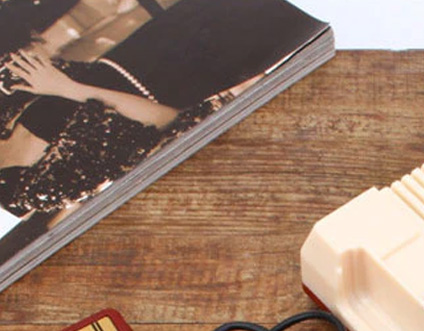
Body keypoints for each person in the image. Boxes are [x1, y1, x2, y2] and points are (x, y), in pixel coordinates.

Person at [0, 0, 320, 216]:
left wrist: (38, 70)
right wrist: (66, 89)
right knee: (283, 17)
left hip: (142, 47)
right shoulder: (37, 189)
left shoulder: (4, 115)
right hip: (182, 79)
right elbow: (164, 120)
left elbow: (48, 65)